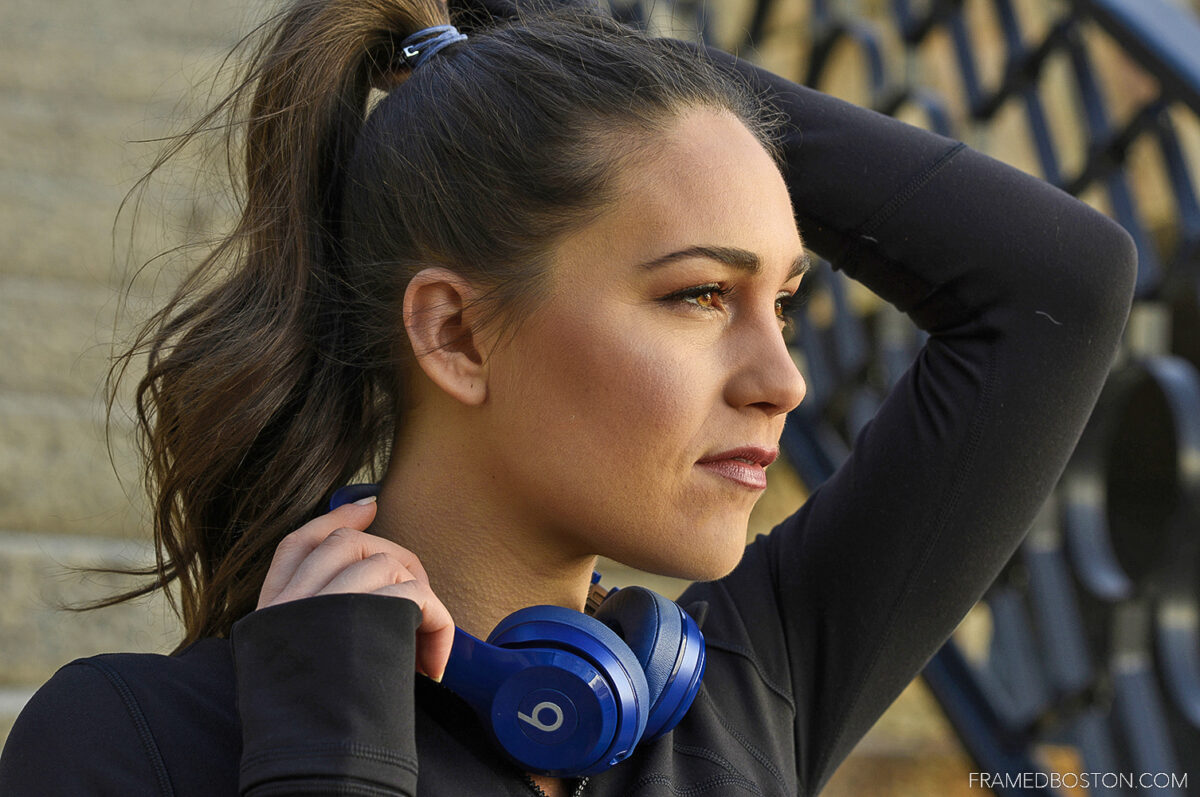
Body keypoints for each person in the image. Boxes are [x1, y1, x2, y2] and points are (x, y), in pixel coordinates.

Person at [0, 0, 1136, 792]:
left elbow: (1059, 287)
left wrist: (577, 56)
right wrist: (327, 759)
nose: (783, 379)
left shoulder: (746, 692)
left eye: (784, 301)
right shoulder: (134, 741)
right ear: (455, 334)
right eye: (700, 294)